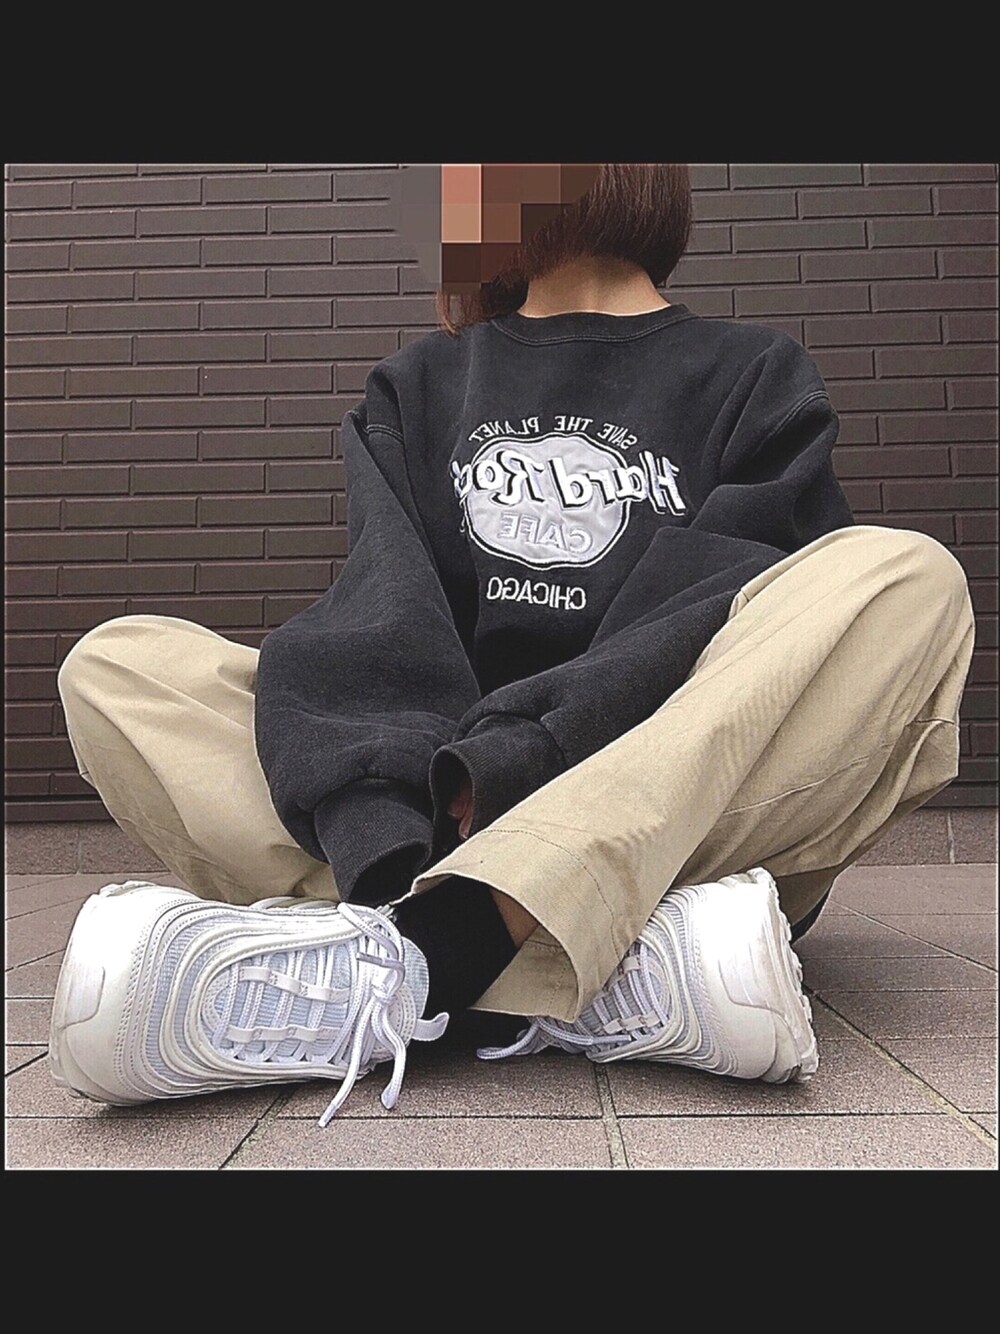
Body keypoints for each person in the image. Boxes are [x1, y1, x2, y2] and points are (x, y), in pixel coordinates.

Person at [49, 164, 975, 1127]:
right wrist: (407, 806)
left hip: (653, 791)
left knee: (904, 580)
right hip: (442, 811)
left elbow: (719, 609)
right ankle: (594, 960)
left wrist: (526, 757)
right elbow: (386, 615)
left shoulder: (755, 373)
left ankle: (418, 958)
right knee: (122, 670)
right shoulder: (418, 385)